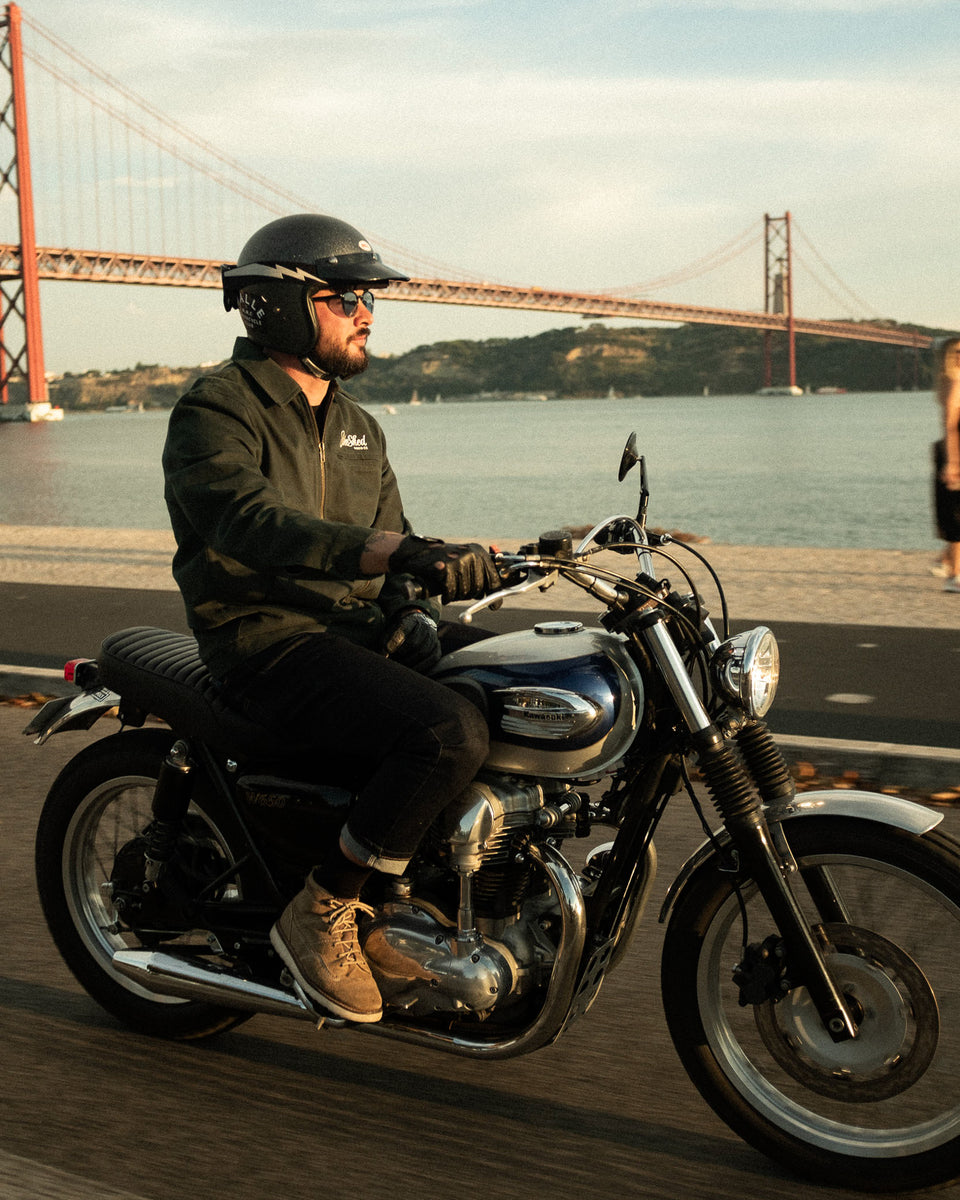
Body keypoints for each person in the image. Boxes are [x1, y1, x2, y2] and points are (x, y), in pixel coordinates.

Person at [162, 213, 500, 1024]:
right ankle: (322, 910)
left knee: (512, 683)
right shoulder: (217, 408)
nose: (367, 312)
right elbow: (250, 523)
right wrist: (395, 551)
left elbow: (392, 549)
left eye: (370, 297)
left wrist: (416, 598)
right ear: (273, 306)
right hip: (264, 638)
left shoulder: (359, 425)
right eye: (346, 296)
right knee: (446, 731)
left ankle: (413, 898)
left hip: (349, 631)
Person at [933, 337, 960, 593]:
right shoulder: (954, 382)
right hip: (955, 454)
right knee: (955, 516)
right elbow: (950, 426)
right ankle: (954, 575)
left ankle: (946, 562)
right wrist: (952, 462)